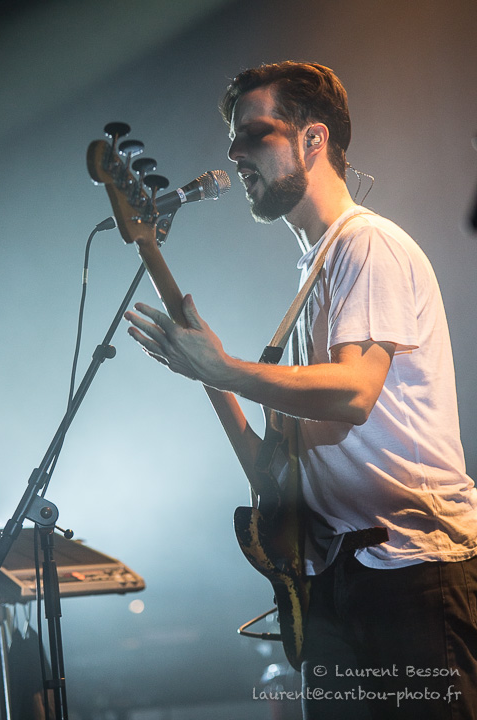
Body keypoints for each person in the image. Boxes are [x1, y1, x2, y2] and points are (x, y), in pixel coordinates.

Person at [124, 62, 477, 719]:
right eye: (233, 138)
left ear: (313, 139)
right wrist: (208, 375)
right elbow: (272, 476)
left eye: (255, 133)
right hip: (337, 579)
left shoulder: (367, 245)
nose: (235, 153)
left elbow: (353, 395)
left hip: (412, 572)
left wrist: (226, 368)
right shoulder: (314, 271)